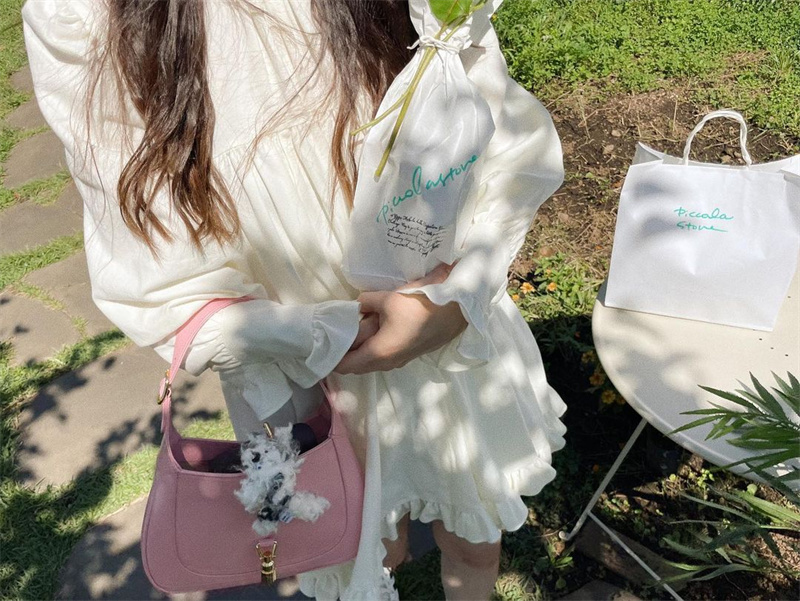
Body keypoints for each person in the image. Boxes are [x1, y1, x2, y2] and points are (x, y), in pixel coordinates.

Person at [21, 0, 567, 599]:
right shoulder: (85, 15)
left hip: (448, 335)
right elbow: (158, 286)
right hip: (303, 376)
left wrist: (457, 297)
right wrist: (332, 333)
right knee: (362, 543)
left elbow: (498, 130)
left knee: (474, 533)